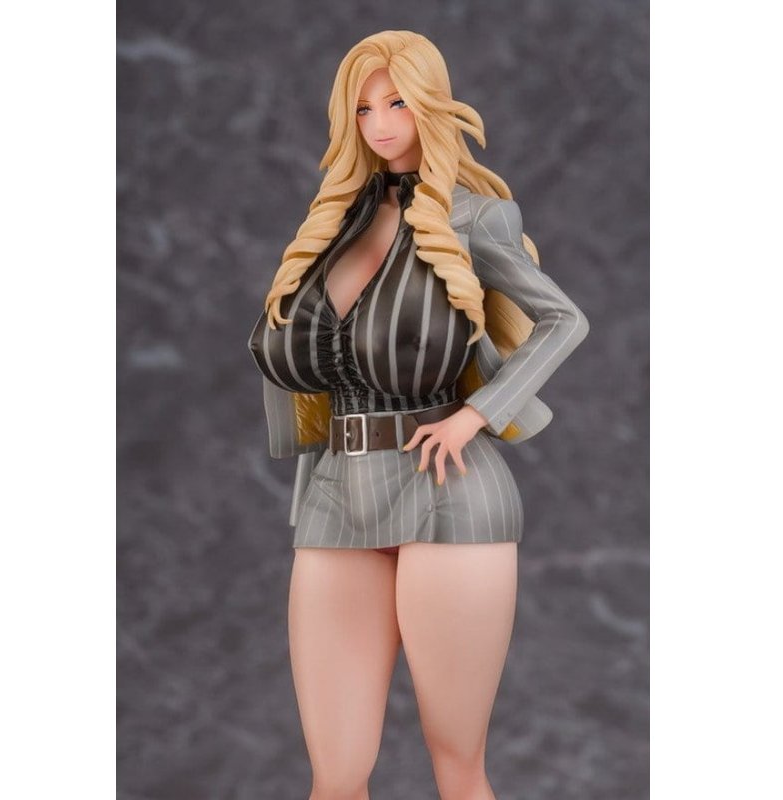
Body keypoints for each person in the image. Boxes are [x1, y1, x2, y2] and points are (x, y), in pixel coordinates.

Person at [248, 30, 589, 800]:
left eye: (397, 102)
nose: (380, 123)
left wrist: (479, 413)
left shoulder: (474, 219)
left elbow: (563, 320)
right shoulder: (330, 226)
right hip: (336, 489)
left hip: (447, 486)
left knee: (456, 765)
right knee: (335, 776)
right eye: (363, 108)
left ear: (430, 103)